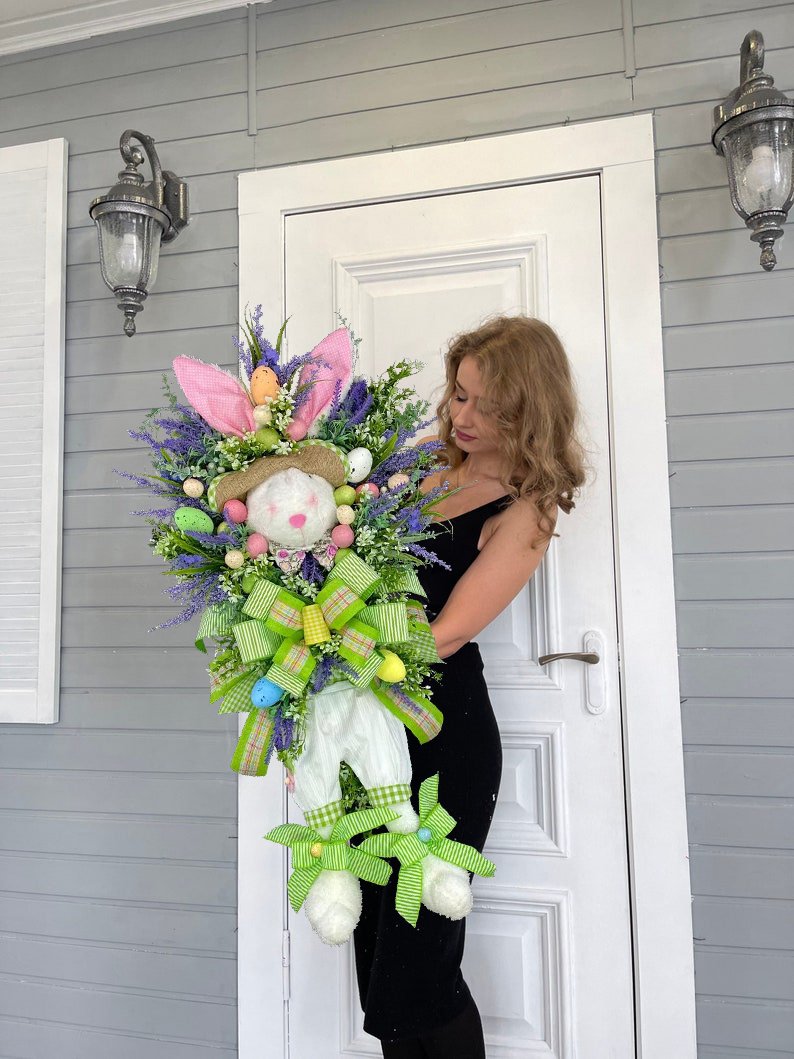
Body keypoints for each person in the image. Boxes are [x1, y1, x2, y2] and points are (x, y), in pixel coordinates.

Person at [352, 315, 589, 1058]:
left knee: (421, 958)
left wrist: (334, 650)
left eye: (487, 407)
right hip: (371, 725)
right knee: (377, 948)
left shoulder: (527, 506)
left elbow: (447, 631)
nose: (463, 417)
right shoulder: (425, 462)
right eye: (457, 396)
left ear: (529, 409)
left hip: (442, 735)